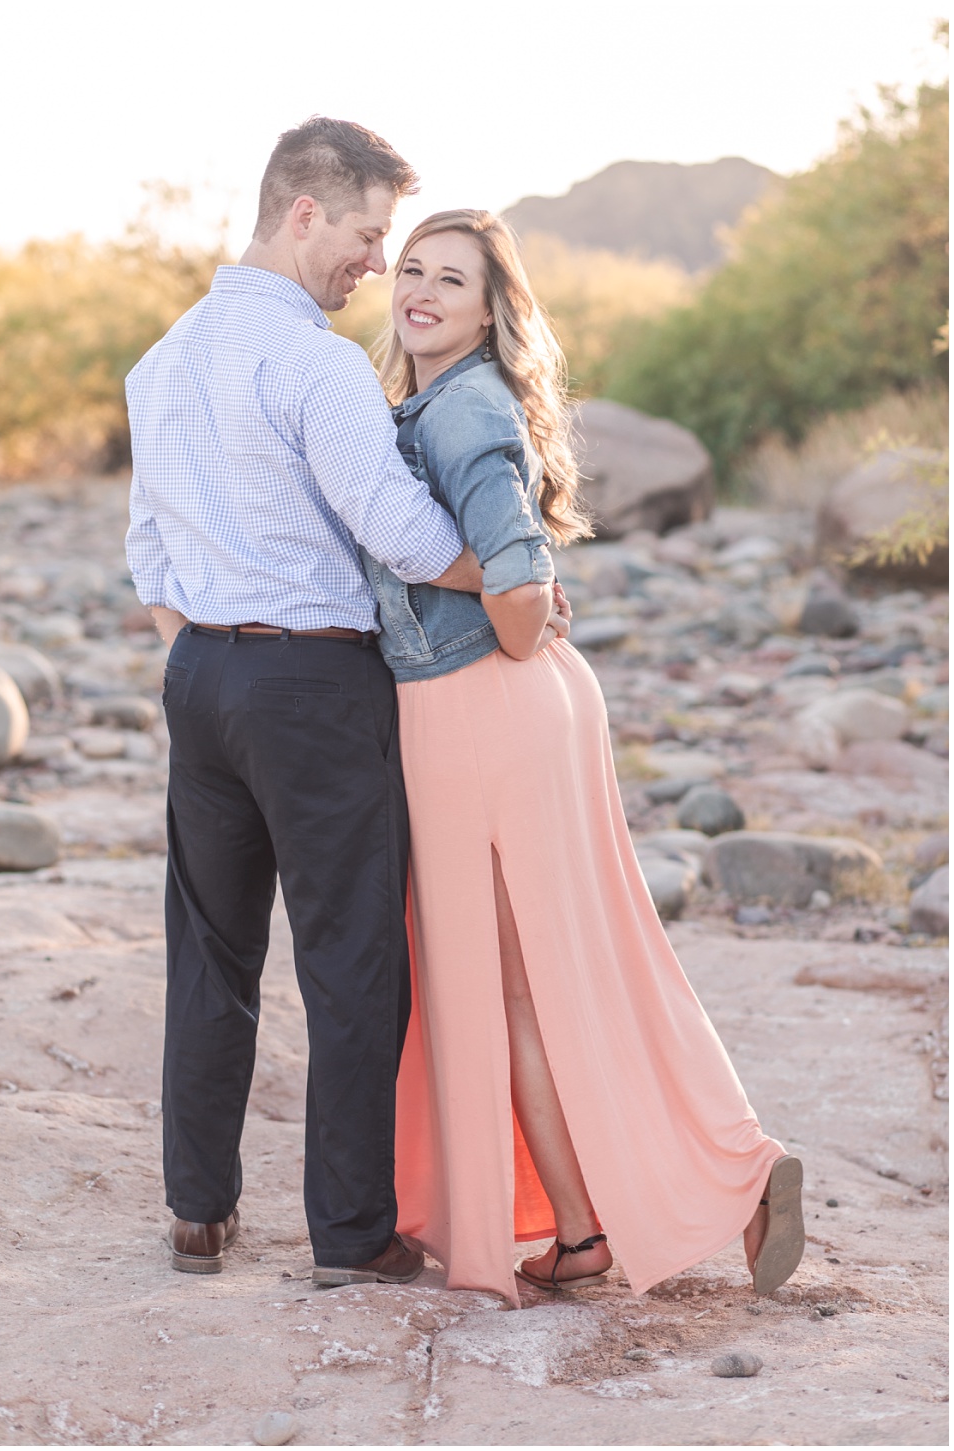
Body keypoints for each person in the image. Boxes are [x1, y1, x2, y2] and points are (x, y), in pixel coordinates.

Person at [369, 208, 804, 1303]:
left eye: (450, 279)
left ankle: (704, 1180)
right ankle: (607, 1214)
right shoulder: (443, 400)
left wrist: (511, 600)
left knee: (507, 991)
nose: (419, 290)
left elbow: (517, 593)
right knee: (577, 970)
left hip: (481, 707)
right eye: (411, 268)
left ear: (489, 310)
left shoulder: (461, 410)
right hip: (515, 704)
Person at [125, 117, 532, 1287]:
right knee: (353, 961)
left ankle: (200, 1211)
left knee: (210, 952)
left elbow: (147, 548)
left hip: (201, 676)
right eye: (366, 235)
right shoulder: (313, 362)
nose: (374, 262)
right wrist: (506, 573)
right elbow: (399, 530)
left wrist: (207, 650)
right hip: (314, 683)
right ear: (304, 213)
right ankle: (352, 1236)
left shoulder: (162, 360)